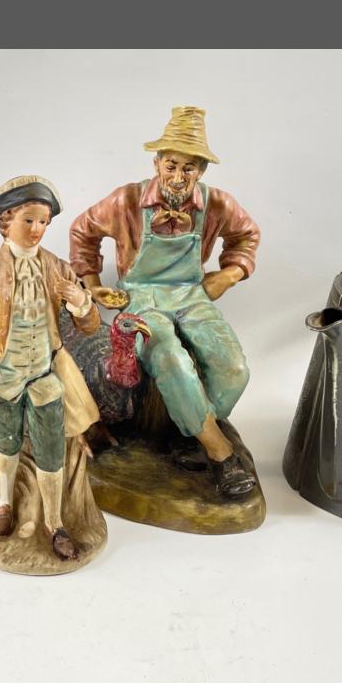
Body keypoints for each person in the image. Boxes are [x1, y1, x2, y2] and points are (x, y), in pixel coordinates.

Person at [69, 106, 260, 498]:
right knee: (170, 357)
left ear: (201, 171)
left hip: (191, 293)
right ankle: (221, 454)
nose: (177, 177)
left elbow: (247, 235)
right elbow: (83, 231)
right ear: (156, 163)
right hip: (142, 296)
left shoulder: (216, 204)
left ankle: (188, 432)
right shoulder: (127, 200)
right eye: (170, 165)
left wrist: (229, 274)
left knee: (234, 368)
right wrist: (92, 284)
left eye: (188, 168)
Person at [0, 176, 102, 561]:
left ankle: (55, 522)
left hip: (45, 375)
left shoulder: (57, 268)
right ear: (6, 222)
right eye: (28, 220)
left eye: (43, 222)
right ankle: (3, 502)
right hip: (3, 376)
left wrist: (82, 302)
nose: (37, 230)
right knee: (6, 443)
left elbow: (90, 325)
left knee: (51, 450)